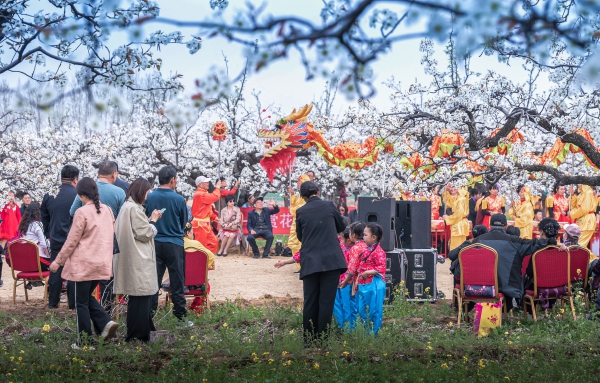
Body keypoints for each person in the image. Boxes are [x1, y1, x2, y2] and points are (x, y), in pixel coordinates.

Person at [48, 177, 118, 346]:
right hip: (102, 263)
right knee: (85, 298)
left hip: (84, 265)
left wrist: (58, 261)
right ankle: (105, 323)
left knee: (81, 303)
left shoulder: (82, 212)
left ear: (80, 195)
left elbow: (71, 241)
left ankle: (84, 342)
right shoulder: (107, 210)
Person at [294, 181, 347, 343]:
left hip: (310, 261)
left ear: (303, 197)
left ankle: (309, 341)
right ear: (318, 191)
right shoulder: (330, 206)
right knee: (326, 302)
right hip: (331, 261)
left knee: (310, 301)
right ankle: (322, 340)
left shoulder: (300, 212)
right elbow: (342, 226)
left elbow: (300, 236)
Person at [70, 160, 126, 310]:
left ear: (98, 173)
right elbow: (121, 218)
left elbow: (72, 212)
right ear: (115, 174)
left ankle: (88, 307)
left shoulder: (87, 189)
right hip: (109, 239)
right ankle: (106, 309)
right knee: (107, 276)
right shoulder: (119, 192)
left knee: (88, 278)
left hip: (87, 239)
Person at [113, 178, 163, 342]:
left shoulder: (126, 207)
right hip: (138, 258)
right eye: (147, 193)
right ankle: (139, 335)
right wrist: (154, 221)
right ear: (141, 192)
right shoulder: (134, 208)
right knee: (142, 296)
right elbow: (145, 233)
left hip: (130, 256)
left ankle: (142, 331)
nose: (147, 196)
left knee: (138, 298)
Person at [471, 213, 554, 311]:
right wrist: (553, 241)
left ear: (489, 226)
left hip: (480, 286)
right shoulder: (514, 241)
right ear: (506, 226)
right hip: (507, 286)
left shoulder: (477, 241)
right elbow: (535, 244)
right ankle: (507, 309)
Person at [145, 166, 189, 322]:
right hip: (174, 243)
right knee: (177, 280)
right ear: (172, 180)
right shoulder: (178, 199)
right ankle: (180, 316)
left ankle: (149, 315)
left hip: (154, 243)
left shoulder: (149, 197)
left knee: (153, 281)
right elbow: (184, 222)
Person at [41, 165, 79, 309]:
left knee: (55, 270)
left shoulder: (50, 194)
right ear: (76, 179)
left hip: (56, 237)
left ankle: (53, 302)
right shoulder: (78, 194)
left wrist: (48, 233)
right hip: (73, 239)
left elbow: (44, 217)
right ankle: (73, 304)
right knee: (73, 270)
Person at [341, 223, 386, 334]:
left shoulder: (379, 252)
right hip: (363, 284)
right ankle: (366, 332)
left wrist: (367, 272)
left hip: (374, 285)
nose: (363, 237)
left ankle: (373, 335)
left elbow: (382, 268)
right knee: (362, 310)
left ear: (374, 237)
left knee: (374, 310)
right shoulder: (366, 249)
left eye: (365, 235)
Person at [14, 202, 51, 272]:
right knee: (59, 263)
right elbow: (45, 245)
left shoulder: (23, 226)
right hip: (38, 261)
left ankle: (35, 282)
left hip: (25, 261)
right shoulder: (37, 224)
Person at [191, 176, 222, 254]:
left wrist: (214, 217)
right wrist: (217, 187)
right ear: (200, 184)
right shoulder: (200, 194)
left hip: (204, 224)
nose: (208, 183)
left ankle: (206, 260)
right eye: (206, 182)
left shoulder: (203, 193)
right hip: (200, 225)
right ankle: (200, 262)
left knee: (213, 242)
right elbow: (215, 196)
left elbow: (206, 210)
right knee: (201, 246)